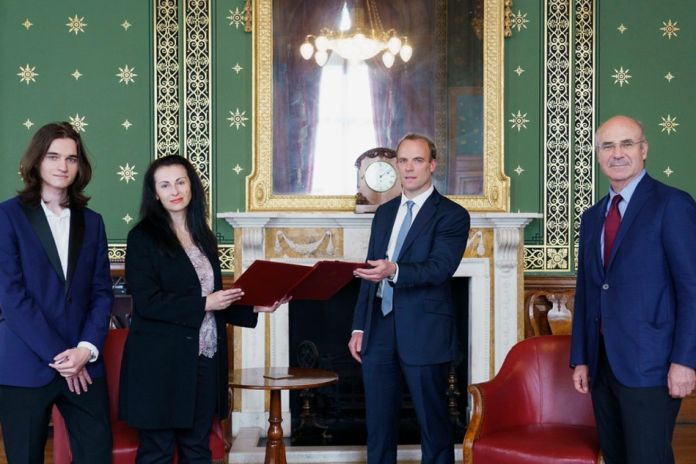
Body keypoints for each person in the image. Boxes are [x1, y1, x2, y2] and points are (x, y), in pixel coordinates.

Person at [119, 155, 286, 462]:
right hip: (160, 364)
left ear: (192, 186)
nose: (174, 191)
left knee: (198, 448)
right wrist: (205, 303)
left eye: (180, 182)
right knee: (157, 452)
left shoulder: (203, 236)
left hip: (205, 360)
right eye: (165, 185)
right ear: (154, 193)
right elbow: (148, 302)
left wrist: (256, 307)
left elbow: (216, 300)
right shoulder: (142, 238)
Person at [571, 115, 696, 464]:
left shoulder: (672, 204)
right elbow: (588, 290)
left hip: (653, 365)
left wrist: (685, 361)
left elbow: (691, 288)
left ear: (644, 149)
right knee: (616, 457)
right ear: (598, 155)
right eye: (608, 146)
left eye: (627, 144)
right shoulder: (592, 216)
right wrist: (581, 358)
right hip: (602, 366)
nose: (617, 153)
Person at [348, 133, 470, 464]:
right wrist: (359, 326)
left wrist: (394, 270)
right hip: (379, 328)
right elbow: (370, 271)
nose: (409, 168)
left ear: (432, 165)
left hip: (425, 330)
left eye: (417, 160)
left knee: (433, 425)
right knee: (379, 427)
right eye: (403, 160)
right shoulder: (384, 213)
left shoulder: (452, 215)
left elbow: (440, 268)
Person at [0, 122, 113, 463]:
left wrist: (85, 350)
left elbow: (101, 292)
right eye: (53, 156)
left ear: (80, 166)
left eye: (71, 158)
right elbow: (12, 297)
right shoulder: (7, 216)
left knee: (97, 456)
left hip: (84, 362)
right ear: (36, 161)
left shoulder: (93, 222)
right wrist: (63, 358)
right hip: (25, 363)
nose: (63, 165)